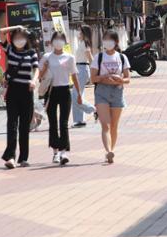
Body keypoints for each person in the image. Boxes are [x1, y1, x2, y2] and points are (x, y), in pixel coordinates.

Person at [0, 25, 39, 169]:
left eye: (22, 37)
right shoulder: (10, 50)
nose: (19, 40)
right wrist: (17, 27)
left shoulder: (32, 53)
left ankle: (23, 158)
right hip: (13, 90)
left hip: (27, 90)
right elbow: (1, 32)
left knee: (24, 126)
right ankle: (10, 157)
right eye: (16, 37)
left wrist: (34, 81)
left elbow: (36, 69)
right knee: (12, 124)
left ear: (27, 38)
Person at [39, 32, 82, 165]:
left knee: (63, 123)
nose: (58, 42)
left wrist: (79, 94)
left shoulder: (69, 57)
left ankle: (64, 152)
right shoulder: (47, 57)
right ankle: (55, 152)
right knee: (53, 123)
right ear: (51, 42)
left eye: (61, 39)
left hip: (64, 90)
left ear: (65, 41)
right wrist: (45, 68)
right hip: (51, 92)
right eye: (56, 39)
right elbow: (40, 75)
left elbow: (74, 76)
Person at [90, 30, 131, 164]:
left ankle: (111, 151)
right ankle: (108, 151)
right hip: (102, 92)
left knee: (114, 125)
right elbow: (93, 78)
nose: (107, 42)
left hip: (117, 92)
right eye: (105, 39)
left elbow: (128, 78)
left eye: (110, 39)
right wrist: (105, 77)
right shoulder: (99, 57)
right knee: (105, 125)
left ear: (116, 42)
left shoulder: (122, 57)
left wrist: (120, 79)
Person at [72, 25, 94, 128]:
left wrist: (95, 72)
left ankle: (93, 109)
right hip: (79, 69)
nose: (77, 33)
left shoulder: (85, 44)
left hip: (82, 69)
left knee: (75, 96)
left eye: (79, 31)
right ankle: (79, 120)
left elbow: (90, 58)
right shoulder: (82, 43)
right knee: (79, 95)